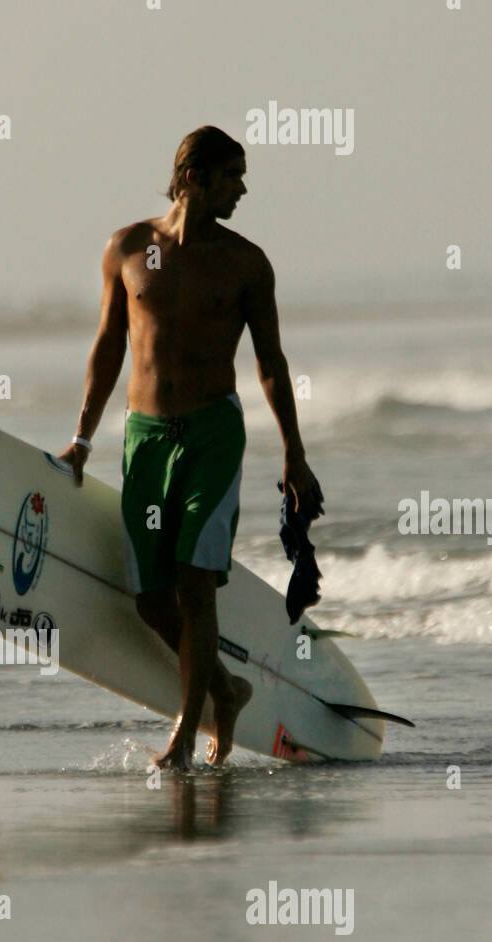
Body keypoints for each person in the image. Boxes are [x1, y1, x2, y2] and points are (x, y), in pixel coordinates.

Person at [57, 126, 320, 769]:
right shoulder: (127, 248)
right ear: (194, 178)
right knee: (151, 597)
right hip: (145, 435)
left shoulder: (246, 264)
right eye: (233, 176)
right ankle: (225, 691)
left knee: (195, 581)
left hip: (212, 434)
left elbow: (270, 363)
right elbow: (108, 348)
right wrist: (82, 439)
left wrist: (294, 452)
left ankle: (184, 732)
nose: (243, 188)